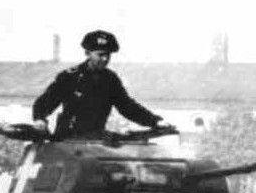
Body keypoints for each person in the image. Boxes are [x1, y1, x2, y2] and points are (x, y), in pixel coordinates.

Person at [32, 30, 174, 138]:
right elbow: (45, 102)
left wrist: (155, 121)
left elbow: (127, 106)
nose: (105, 59)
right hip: (68, 140)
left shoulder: (110, 79)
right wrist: (39, 119)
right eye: (100, 54)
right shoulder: (70, 77)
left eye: (108, 55)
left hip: (97, 139)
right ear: (88, 53)